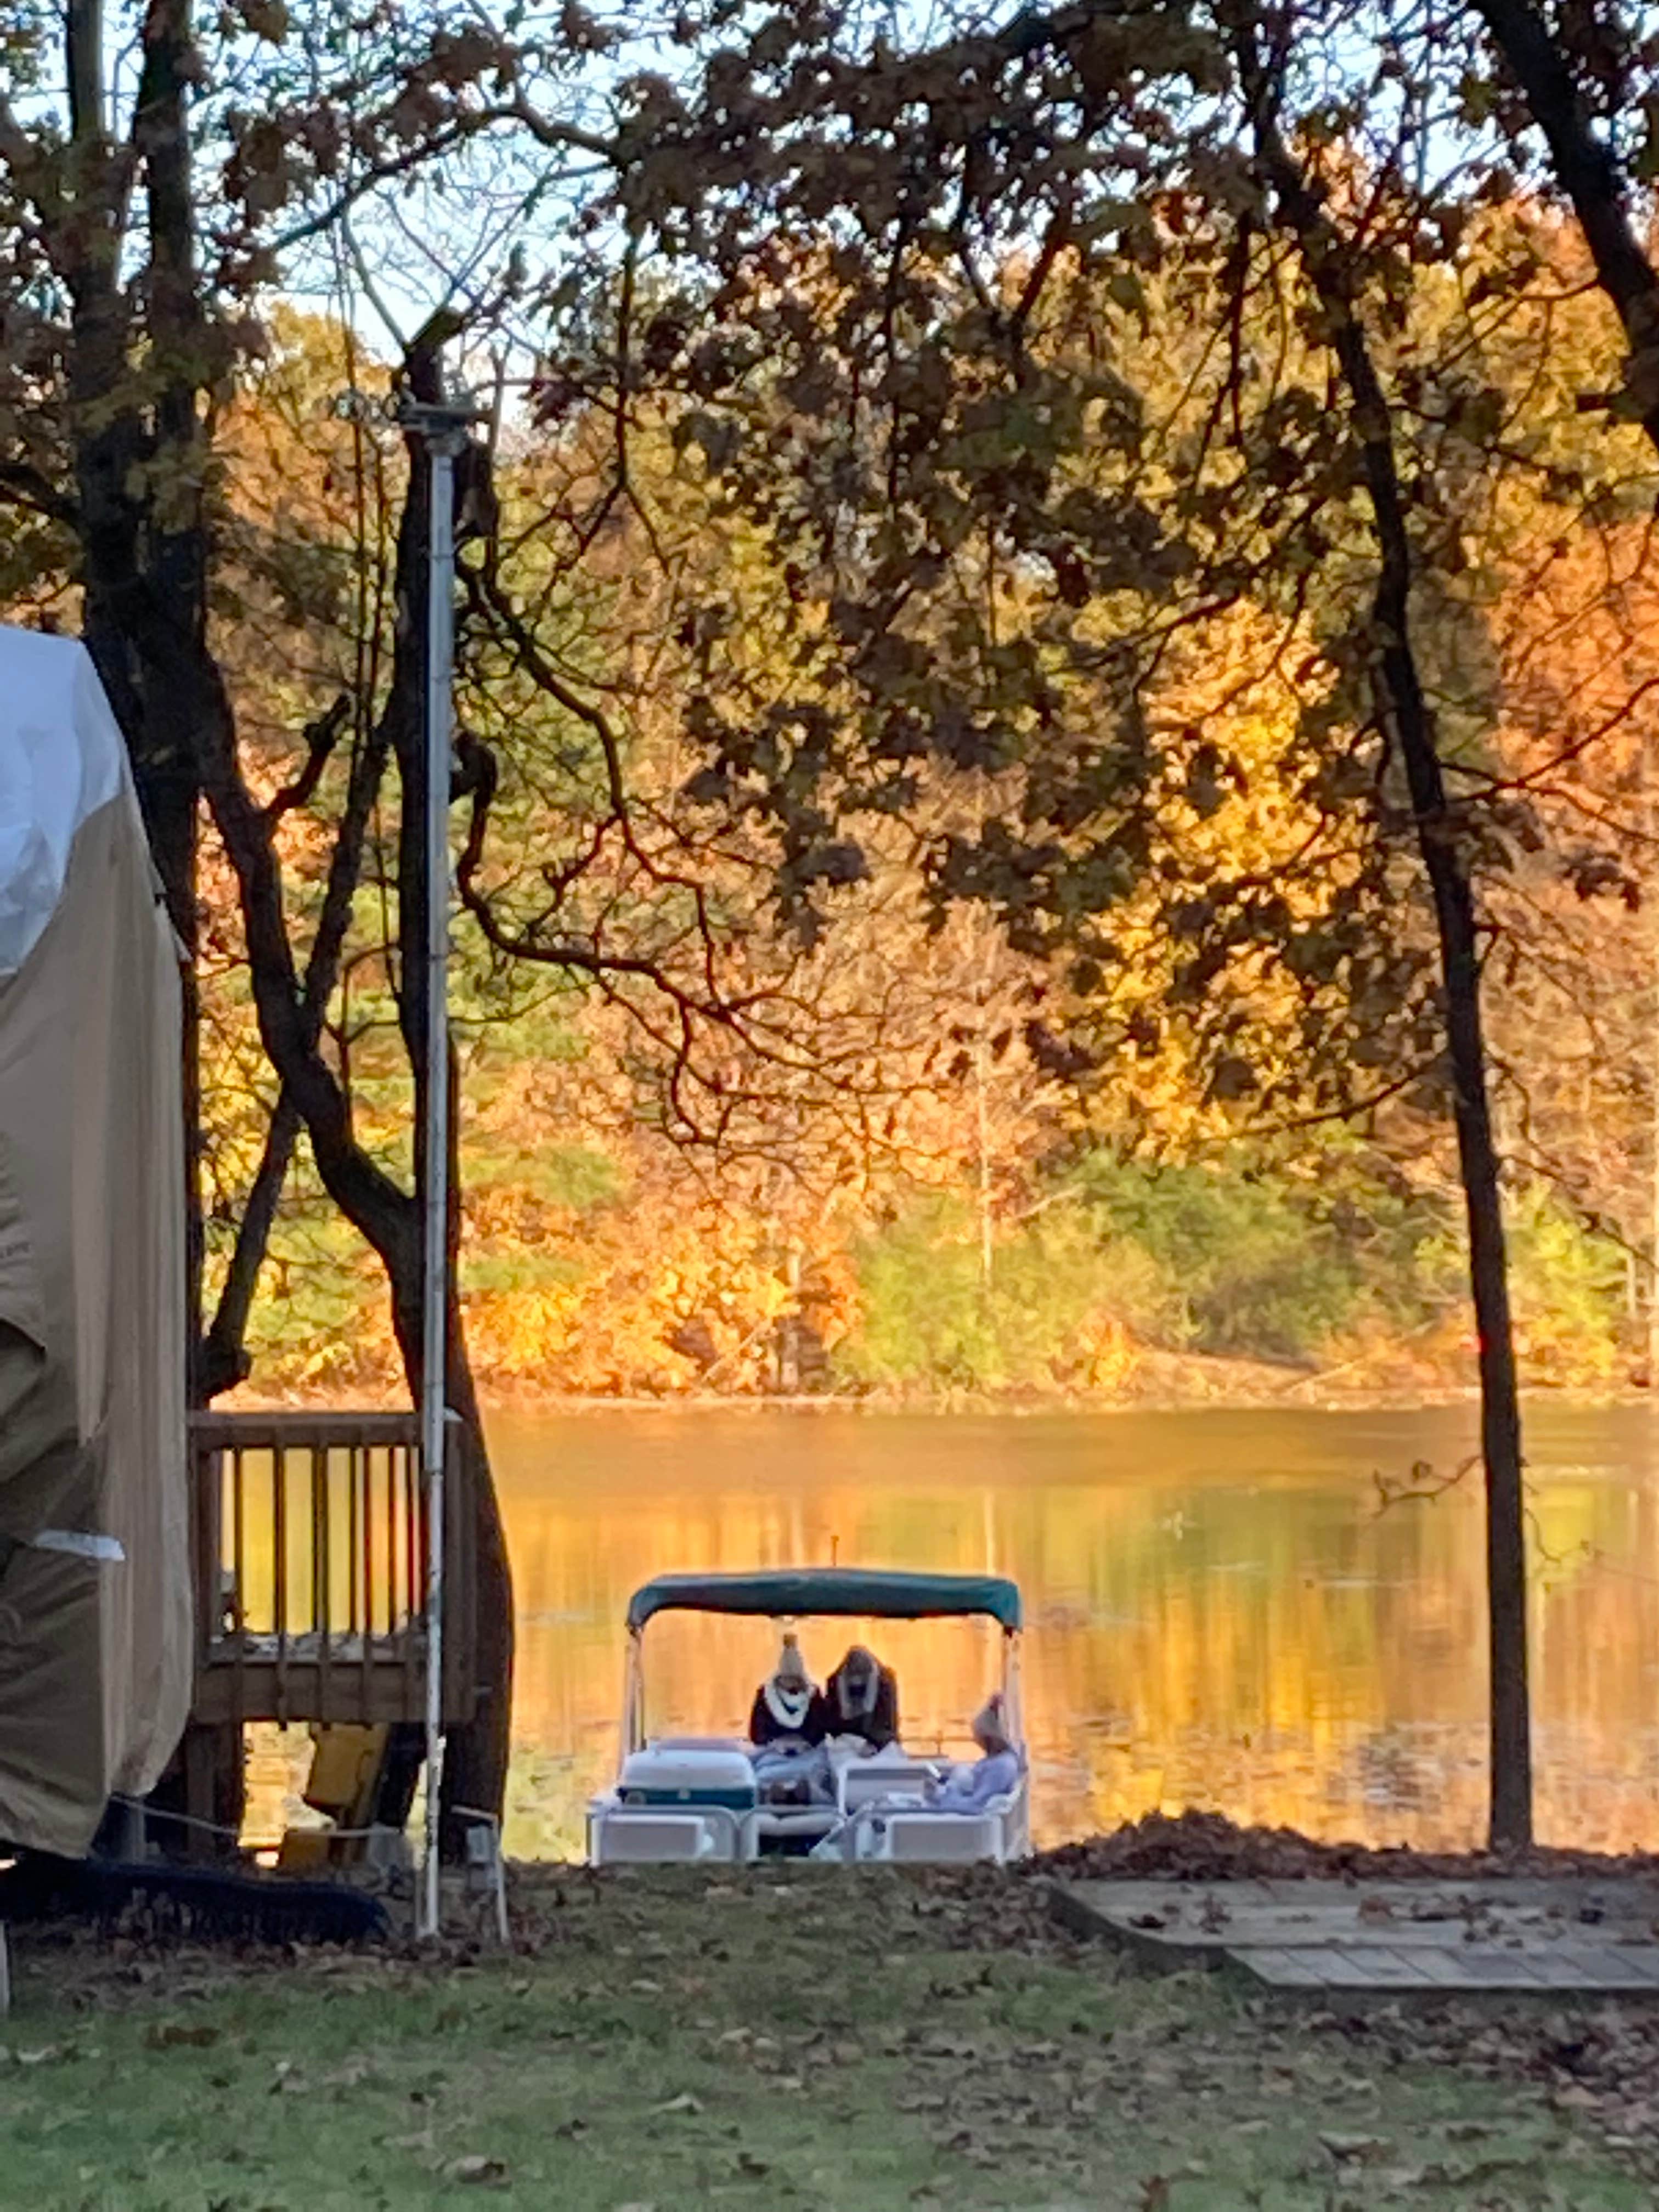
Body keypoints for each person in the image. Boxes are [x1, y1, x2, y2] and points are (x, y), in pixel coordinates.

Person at [928, 1693, 1020, 1811]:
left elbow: (975, 1805)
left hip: (964, 1815)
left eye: (978, 1737)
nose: (976, 1741)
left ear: (989, 1738)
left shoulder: (1000, 1767)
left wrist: (947, 1795)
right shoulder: (999, 1759)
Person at [748, 1631, 828, 1751]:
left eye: (794, 1680)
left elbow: (758, 1734)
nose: (791, 1685)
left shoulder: (765, 1694)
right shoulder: (814, 1695)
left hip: (784, 1753)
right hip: (795, 1753)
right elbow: (820, 1732)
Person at [823, 1644, 899, 1752]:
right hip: (845, 1739)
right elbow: (832, 1721)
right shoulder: (835, 1683)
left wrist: (880, 1741)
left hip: (878, 1739)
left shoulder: (885, 1684)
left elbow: (890, 1720)